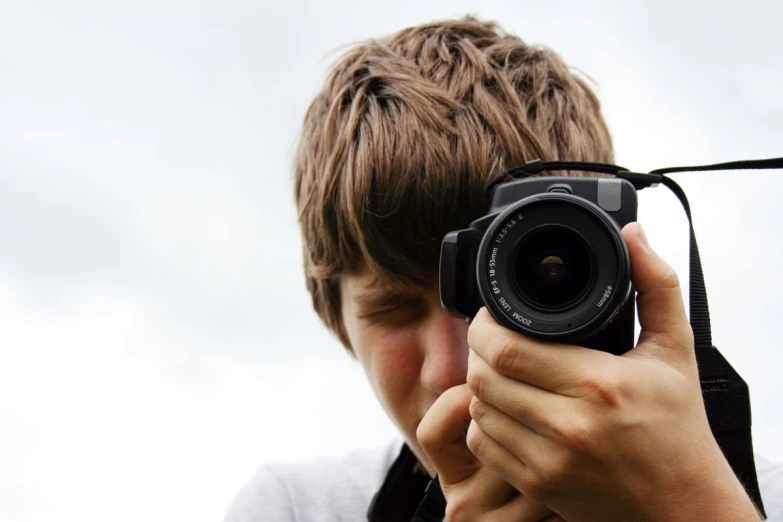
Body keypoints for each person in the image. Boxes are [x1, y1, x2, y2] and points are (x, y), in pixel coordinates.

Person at [225, 16, 783, 521]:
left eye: (512, 287)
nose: (454, 368)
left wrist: (688, 506)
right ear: (338, 322)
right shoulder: (297, 509)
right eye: (393, 308)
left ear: (619, 272)